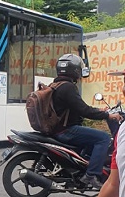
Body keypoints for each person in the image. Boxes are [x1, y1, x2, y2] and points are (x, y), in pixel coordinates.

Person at [52, 54, 121, 189]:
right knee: (103, 138)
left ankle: (83, 166)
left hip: (59, 128)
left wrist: (100, 110)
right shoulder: (68, 87)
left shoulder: (57, 85)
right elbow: (84, 110)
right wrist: (107, 115)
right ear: (76, 70)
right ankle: (91, 175)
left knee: (93, 139)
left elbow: (78, 108)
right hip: (67, 130)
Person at [84, 72, 125, 197]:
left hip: (67, 131)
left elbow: (84, 110)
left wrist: (104, 115)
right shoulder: (123, 131)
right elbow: (114, 184)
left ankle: (91, 172)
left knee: (102, 138)